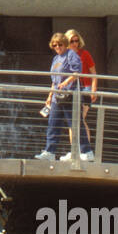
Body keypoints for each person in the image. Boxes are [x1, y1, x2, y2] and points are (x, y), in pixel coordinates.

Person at [35, 32, 92, 161]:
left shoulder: (71, 55)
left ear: (65, 44)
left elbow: (77, 72)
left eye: (60, 44)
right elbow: (54, 80)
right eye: (55, 45)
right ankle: (50, 152)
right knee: (53, 124)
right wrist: (50, 95)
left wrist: (67, 81)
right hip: (57, 97)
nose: (58, 47)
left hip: (69, 95)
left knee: (75, 124)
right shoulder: (56, 59)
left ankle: (86, 151)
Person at [64, 29, 97, 154]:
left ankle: (85, 151)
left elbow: (94, 73)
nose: (74, 43)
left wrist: (93, 90)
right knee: (73, 121)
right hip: (71, 89)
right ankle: (75, 151)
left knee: (80, 119)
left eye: (76, 41)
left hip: (85, 88)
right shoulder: (64, 55)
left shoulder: (85, 54)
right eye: (71, 41)